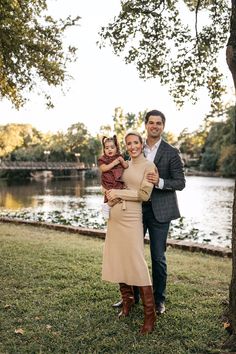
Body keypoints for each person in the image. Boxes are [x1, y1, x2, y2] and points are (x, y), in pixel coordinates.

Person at [112, 109, 186, 315]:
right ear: (146, 125)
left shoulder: (172, 152)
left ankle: (159, 300)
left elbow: (180, 183)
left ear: (163, 126)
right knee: (131, 254)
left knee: (157, 257)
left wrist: (159, 181)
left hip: (160, 212)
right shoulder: (136, 148)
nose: (155, 126)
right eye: (151, 122)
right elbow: (127, 174)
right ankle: (131, 297)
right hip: (135, 211)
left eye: (159, 123)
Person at [102, 132, 157, 334]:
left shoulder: (148, 166)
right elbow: (110, 183)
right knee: (118, 258)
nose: (132, 146)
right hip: (115, 216)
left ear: (142, 144)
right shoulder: (123, 164)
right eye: (128, 144)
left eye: (135, 143)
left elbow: (144, 194)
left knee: (136, 262)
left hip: (132, 218)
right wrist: (108, 193)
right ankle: (128, 301)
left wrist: (118, 193)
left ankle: (150, 315)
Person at [98, 135, 128, 220]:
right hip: (108, 181)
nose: (109, 149)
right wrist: (114, 163)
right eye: (107, 148)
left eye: (112, 147)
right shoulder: (103, 159)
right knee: (110, 195)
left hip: (117, 181)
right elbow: (103, 168)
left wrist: (122, 161)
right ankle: (107, 206)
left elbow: (125, 166)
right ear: (104, 149)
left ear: (116, 148)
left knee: (120, 195)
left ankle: (107, 206)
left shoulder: (119, 157)